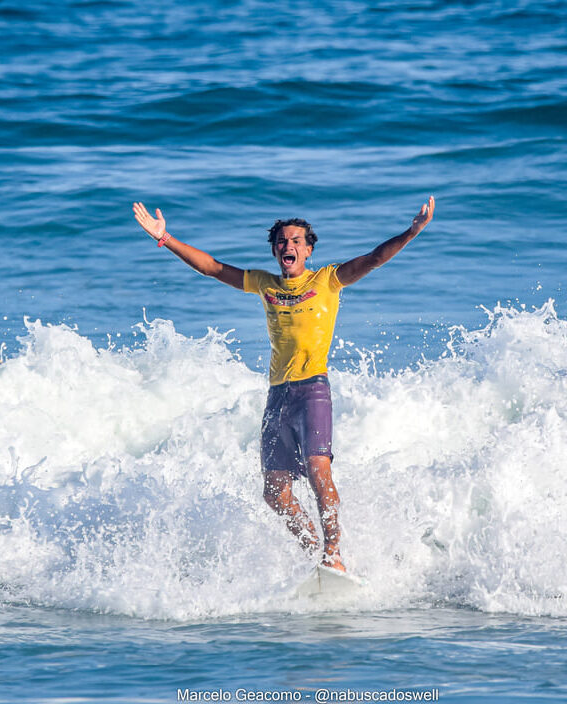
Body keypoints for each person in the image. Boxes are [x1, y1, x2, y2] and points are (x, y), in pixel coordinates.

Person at [132, 196, 435, 572]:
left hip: (313, 391)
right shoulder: (264, 284)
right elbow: (212, 268)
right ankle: (313, 550)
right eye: (281, 241)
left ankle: (334, 552)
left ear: (308, 249)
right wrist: (166, 238)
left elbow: (373, 259)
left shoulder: (327, 279)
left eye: (296, 241)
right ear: (275, 251)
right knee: (275, 493)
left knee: (318, 471)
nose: (288, 246)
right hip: (278, 396)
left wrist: (412, 231)